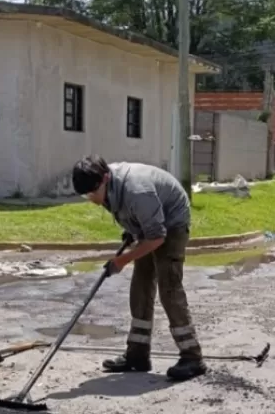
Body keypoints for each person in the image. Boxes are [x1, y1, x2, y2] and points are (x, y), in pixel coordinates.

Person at [71, 154, 207, 381]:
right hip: (149, 224)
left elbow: (157, 238)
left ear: (105, 179)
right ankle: (138, 355)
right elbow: (126, 212)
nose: (91, 199)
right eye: (86, 195)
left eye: (92, 193)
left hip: (171, 224)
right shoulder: (104, 183)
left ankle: (192, 357)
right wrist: (133, 229)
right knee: (141, 287)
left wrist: (122, 260)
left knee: (169, 288)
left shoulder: (137, 191)